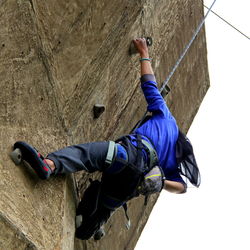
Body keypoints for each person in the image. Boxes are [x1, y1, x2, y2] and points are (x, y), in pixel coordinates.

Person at [13, 38, 200, 240]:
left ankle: (49, 164)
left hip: (128, 156)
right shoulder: (172, 162)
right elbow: (182, 188)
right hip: (127, 189)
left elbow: (149, 84)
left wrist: (144, 53)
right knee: (105, 201)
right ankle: (90, 226)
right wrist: (161, 181)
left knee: (89, 155)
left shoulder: (167, 119)